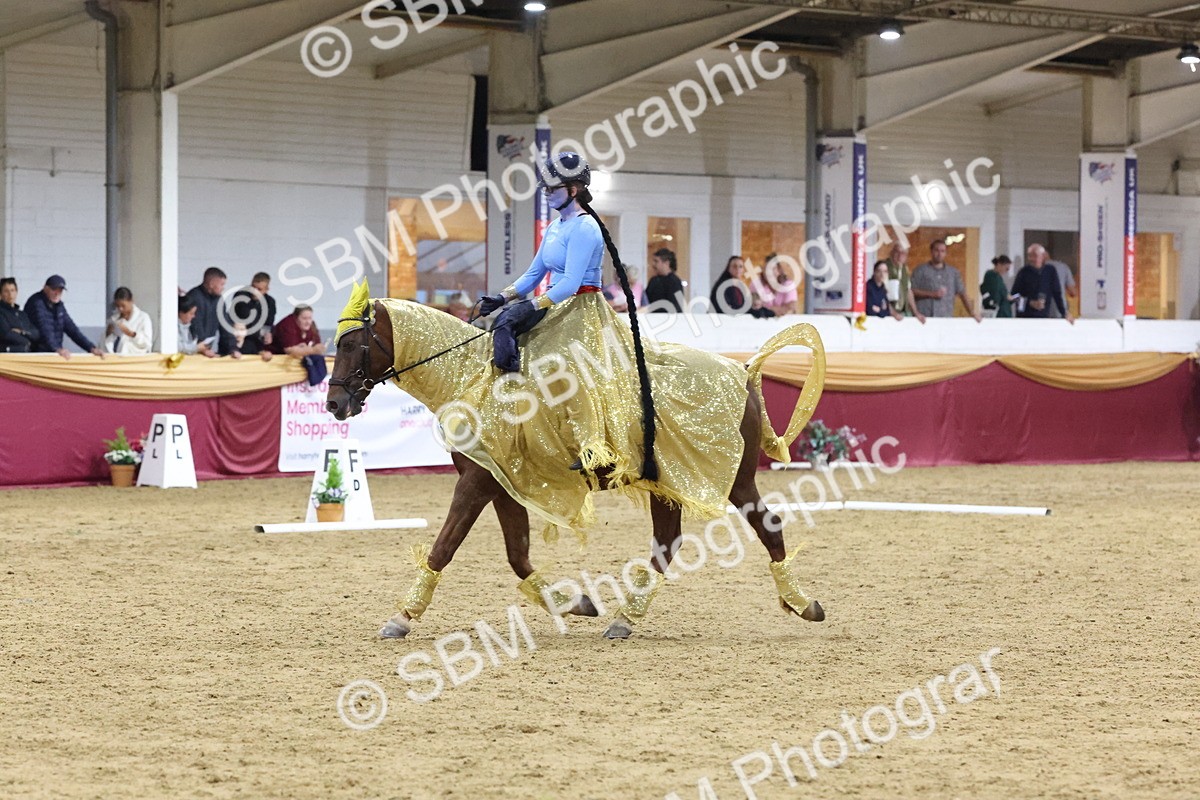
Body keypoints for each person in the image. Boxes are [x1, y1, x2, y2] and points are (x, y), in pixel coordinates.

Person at [478, 150, 657, 478]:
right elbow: (534, 274)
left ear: (573, 190)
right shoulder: (555, 227)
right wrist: (502, 297)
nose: (546, 194)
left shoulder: (586, 227)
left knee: (569, 365)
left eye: (552, 188)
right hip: (554, 304)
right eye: (545, 188)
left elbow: (571, 283)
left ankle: (595, 446)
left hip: (581, 307)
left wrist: (530, 306)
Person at [24, 274, 106, 359]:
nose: (57, 293)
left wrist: (91, 348)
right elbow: (44, 329)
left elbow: (72, 329)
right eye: (54, 289)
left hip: (53, 353)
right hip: (36, 354)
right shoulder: (36, 303)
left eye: (60, 290)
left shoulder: (59, 306)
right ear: (45, 288)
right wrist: (57, 348)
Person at [911, 240, 982, 321]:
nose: (939, 254)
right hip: (924, 317)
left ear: (945, 253)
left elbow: (962, 293)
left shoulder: (953, 273)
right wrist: (932, 294)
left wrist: (972, 313)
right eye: (936, 250)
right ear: (931, 251)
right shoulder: (920, 270)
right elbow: (911, 291)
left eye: (942, 251)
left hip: (945, 317)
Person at [183, 267, 240, 358]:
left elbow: (225, 326)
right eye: (222, 284)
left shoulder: (219, 301)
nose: (223, 288)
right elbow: (194, 327)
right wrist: (202, 349)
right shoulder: (193, 297)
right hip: (191, 352)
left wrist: (233, 348)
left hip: (207, 350)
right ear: (211, 284)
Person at [1012, 244, 1074, 324]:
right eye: (1029, 256)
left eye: (1035, 255)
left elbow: (1057, 294)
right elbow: (1013, 296)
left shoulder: (1050, 271)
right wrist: (1029, 302)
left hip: (1043, 317)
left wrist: (1065, 313)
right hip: (1024, 317)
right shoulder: (1023, 272)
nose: (1031, 259)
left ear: (1043, 256)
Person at [272, 305, 326, 384]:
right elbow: (289, 350)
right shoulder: (287, 324)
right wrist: (312, 350)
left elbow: (317, 345)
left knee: (318, 359)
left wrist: (312, 349)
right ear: (296, 318)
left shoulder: (312, 325)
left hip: (299, 362)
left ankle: (316, 380)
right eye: (304, 318)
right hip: (276, 360)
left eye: (310, 318)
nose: (308, 322)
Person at [230, 272, 276, 354]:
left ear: (266, 290)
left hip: (257, 340)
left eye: (259, 289)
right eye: (253, 287)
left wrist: (268, 334)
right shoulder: (241, 297)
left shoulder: (270, 302)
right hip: (241, 339)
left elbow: (269, 323)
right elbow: (246, 319)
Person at [104, 287, 153, 355]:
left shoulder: (143, 318)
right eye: (118, 306)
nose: (120, 309)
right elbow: (105, 343)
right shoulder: (114, 319)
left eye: (123, 306)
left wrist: (131, 334)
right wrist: (108, 333)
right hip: (116, 356)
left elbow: (147, 343)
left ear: (131, 301)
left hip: (135, 356)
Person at [884, 244, 926, 323]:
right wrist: (893, 312)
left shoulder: (904, 269)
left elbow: (908, 291)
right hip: (888, 313)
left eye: (903, 253)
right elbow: (881, 293)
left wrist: (915, 312)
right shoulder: (884, 267)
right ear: (891, 253)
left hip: (903, 312)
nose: (900, 256)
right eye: (897, 252)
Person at [0, 278, 40, 353]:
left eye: (12, 290)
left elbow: (36, 333)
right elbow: (6, 334)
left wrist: (22, 332)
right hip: (8, 355)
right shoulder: (1, 313)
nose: (10, 294)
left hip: (25, 353)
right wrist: (27, 341)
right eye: (6, 291)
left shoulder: (22, 315)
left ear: (16, 292)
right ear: (1, 294)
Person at [645, 248, 684, 312]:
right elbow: (646, 301)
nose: (653, 264)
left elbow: (676, 307)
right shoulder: (653, 280)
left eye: (656, 261)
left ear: (666, 263)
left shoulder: (675, 282)